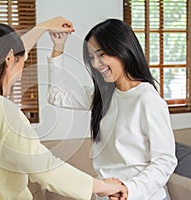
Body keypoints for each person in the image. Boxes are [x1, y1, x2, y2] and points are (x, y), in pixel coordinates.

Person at [0, 16, 127, 200]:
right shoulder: (1, 111)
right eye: (22, 59)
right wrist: (103, 187)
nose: (23, 67)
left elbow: (12, 52)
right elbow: (46, 169)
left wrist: (44, 27)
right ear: (9, 58)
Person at [47, 18, 177, 200]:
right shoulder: (103, 95)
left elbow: (165, 161)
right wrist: (58, 46)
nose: (95, 64)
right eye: (91, 57)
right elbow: (56, 95)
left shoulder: (147, 100)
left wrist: (128, 189)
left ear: (122, 49)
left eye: (101, 55)